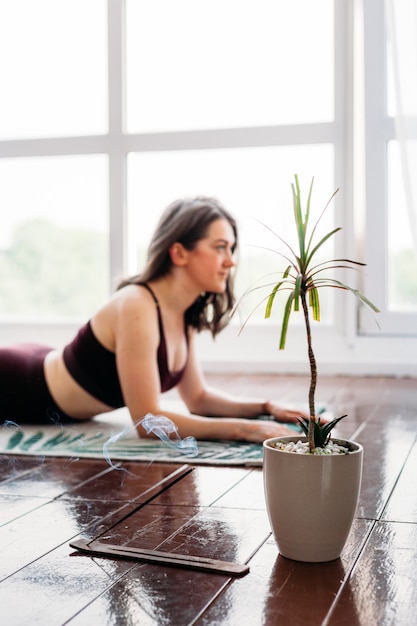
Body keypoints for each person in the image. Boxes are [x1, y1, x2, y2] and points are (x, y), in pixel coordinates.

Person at [0, 196, 309, 443]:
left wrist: (266, 408)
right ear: (179, 253)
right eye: (219, 248)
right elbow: (148, 420)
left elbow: (198, 399)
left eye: (231, 248)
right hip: (19, 384)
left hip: (40, 361)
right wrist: (246, 430)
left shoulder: (182, 311)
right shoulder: (137, 305)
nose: (230, 261)